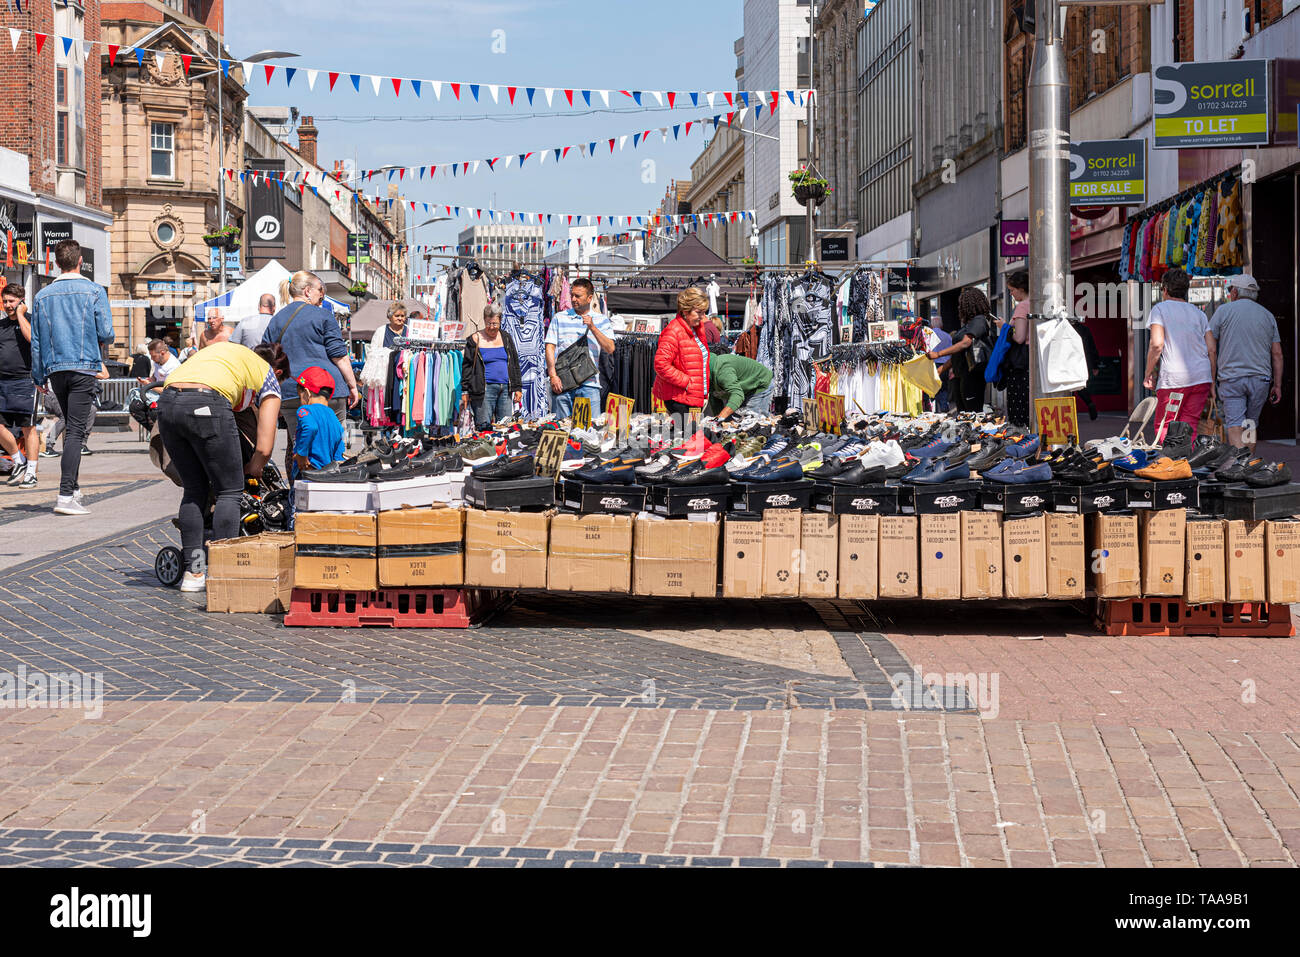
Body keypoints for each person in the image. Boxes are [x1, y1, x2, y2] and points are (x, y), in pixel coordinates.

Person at [158, 340, 289, 592]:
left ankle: (193, 573)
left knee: (194, 490)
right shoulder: (268, 376)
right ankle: (221, 572)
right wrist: (255, 466)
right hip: (207, 403)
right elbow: (263, 447)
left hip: (168, 402)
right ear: (279, 372)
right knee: (229, 491)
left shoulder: (229, 354)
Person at [28, 239, 113, 515]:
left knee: (70, 426)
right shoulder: (94, 290)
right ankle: (65, 496)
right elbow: (107, 332)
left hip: (55, 370)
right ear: (80, 262)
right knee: (76, 431)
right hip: (83, 367)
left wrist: (38, 374)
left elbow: (37, 340)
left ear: (55, 264)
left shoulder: (42, 296)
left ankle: (73, 489)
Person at [260, 270, 360, 478]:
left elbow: (267, 360)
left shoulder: (276, 320)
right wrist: (352, 385)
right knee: (331, 443)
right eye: (320, 291)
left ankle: (297, 495)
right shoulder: (323, 315)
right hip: (326, 390)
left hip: (290, 390)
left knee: (298, 445)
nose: (322, 296)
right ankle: (329, 490)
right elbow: (339, 355)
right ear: (307, 291)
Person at [1210, 273, 1282, 451]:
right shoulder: (1268, 316)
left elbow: (1209, 346)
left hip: (1232, 378)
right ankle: (1248, 464)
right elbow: (1277, 353)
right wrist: (1278, 385)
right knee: (1250, 423)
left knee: (1235, 423)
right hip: (1261, 380)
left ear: (1234, 292)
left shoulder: (1223, 311)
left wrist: (1210, 378)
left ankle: (1238, 465)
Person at [1144, 267, 1214, 441]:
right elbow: (1212, 349)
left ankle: (1170, 465)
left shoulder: (1160, 309)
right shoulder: (1200, 314)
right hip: (1201, 378)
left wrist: (1148, 373)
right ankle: (1186, 463)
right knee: (1190, 424)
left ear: (1165, 290)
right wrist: (1211, 379)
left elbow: (1157, 344)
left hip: (1174, 380)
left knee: (1166, 425)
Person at [545, 277, 614, 418]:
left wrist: (593, 327)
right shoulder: (559, 318)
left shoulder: (602, 320)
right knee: (561, 430)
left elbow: (610, 348)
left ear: (589, 298)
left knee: (589, 432)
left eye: (578, 296)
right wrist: (552, 375)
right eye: (572, 295)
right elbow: (550, 347)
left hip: (590, 385)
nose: (573, 299)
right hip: (562, 384)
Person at [926, 287, 996, 413]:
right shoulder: (969, 324)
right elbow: (959, 354)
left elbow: (965, 343)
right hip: (960, 376)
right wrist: (941, 369)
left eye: (961, 304)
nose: (959, 307)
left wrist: (938, 354)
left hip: (972, 376)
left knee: (971, 412)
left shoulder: (979, 321)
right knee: (963, 414)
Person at [1, 284, 39, 487]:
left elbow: (32, 339)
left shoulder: (32, 321)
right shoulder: (1, 326)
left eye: (12, 301)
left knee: (28, 427)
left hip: (25, 380)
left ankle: (31, 472)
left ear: (21, 300)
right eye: (5, 301)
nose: (8, 305)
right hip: (2, 382)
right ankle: (18, 461)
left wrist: (21, 315)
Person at [652, 287, 712, 415]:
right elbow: (660, 364)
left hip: (693, 397)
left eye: (704, 312)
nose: (703, 316)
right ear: (686, 311)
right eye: (699, 312)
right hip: (680, 398)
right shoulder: (674, 330)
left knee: (692, 433)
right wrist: (686, 381)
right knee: (691, 433)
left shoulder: (696, 329)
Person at [462, 303, 522, 430]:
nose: (491, 327)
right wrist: (465, 391)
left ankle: (502, 450)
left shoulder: (506, 337)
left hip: (505, 390)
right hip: (484, 391)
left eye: (495, 324)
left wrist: (517, 388)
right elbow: (467, 367)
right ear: (484, 320)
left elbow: (514, 363)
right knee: (484, 428)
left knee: (505, 428)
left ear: (500, 321)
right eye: (489, 323)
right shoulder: (475, 339)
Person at [290, 366, 346, 483]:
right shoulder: (332, 415)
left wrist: (302, 454)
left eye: (299, 395)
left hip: (307, 471)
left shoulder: (305, 409)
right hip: (325, 474)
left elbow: (310, 427)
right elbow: (339, 442)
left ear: (306, 393)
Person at [1001, 271, 1032, 427]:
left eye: (1012, 290)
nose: (1011, 293)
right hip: (1033, 359)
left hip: (1020, 363)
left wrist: (1004, 327)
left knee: (1019, 406)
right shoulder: (1036, 303)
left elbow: (1019, 337)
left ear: (1021, 288)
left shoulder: (1022, 306)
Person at [703, 352, 773, 419]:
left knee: (753, 421)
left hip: (759, 384)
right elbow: (714, 397)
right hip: (743, 388)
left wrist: (720, 417)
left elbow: (738, 395)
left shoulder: (722, 371)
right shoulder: (708, 373)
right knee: (737, 420)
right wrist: (718, 419)